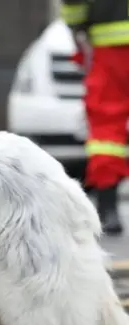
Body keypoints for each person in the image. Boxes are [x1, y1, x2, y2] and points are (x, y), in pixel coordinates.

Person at [62, 0, 129, 235]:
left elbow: (73, 5)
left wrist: (77, 28)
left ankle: (108, 209)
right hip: (108, 41)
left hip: (109, 43)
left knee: (107, 129)